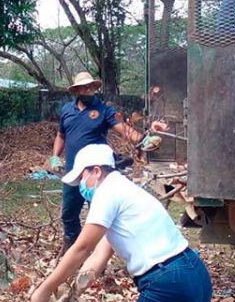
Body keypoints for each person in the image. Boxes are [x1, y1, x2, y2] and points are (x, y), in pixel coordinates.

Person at [30, 144, 212, 302]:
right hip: (196, 275)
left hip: (168, 283)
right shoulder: (125, 190)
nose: (81, 185)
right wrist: (67, 299)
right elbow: (97, 257)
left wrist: (44, 291)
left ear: (96, 171)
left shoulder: (106, 192)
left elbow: (82, 249)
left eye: (82, 177)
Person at [48, 72, 161, 254]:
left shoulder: (103, 110)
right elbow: (61, 136)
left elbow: (123, 129)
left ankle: (97, 255)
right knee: (69, 213)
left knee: (99, 215)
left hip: (97, 173)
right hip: (73, 171)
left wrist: (143, 140)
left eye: (91, 87)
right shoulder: (67, 110)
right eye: (84, 87)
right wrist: (55, 156)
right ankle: (72, 247)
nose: (89, 90)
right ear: (77, 90)